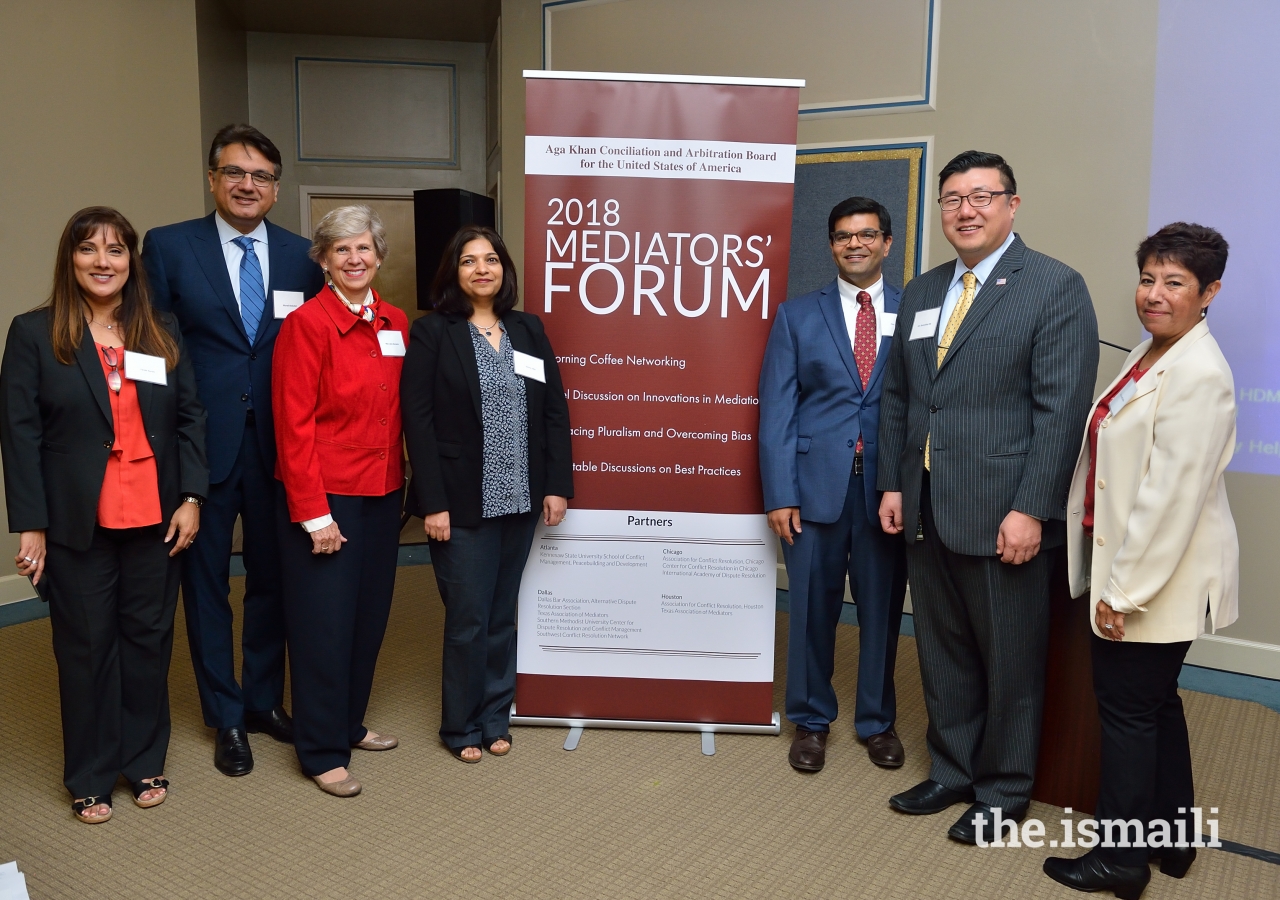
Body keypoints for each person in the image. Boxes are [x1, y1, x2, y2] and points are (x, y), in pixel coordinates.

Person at [876, 151, 1098, 843]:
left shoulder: (1054, 287)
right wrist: (891, 481)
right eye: (951, 199)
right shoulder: (920, 291)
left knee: (1010, 662)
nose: (965, 210)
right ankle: (952, 770)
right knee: (941, 651)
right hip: (926, 504)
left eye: (980, 196)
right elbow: (899, 398)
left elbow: (1059, 412)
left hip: (1005, 510)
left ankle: (1004, 790)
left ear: (1012, 204)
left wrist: (1031, 507)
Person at [1043, 224, 1238, 899]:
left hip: (1153, 579)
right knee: (1154, 705)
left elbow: (1170, 501)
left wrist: (1121, 593)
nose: (1155, 295)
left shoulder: (1200, 374)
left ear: (1209, 292)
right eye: (1149, 279)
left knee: (1127, 713)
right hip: (1132, 564)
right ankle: (1171, 837)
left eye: (1174, 283)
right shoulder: (1153, 351)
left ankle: (1119, 861)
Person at [0, 207, 208, 823]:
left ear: (131, 261)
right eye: (88, 250)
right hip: (76, 523)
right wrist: (31, 523)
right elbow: (20, 434)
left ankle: (144, 759)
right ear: (70, 260)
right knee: (87, 647)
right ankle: (90, 773)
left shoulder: (160, 329)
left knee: (148, 642)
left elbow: (192, 417)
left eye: (116, 251)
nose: (102, 262)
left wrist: (192, 496)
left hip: (156, 517)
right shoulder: (35, 334)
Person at [143, 124, 324, 776]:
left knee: (275, 582)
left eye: (262, 176)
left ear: (276, 190)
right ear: (213, 179)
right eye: (235, 172)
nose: (248, 185)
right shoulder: (168, 248)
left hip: (281, 449)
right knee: (208, 586)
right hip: (202, 448)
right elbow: (152, 353)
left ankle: (261, 702)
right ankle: (224, 717)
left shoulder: (305, 256)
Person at [402, 225, 573, 764]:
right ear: (453, 272)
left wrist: (557, 486)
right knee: (468, 618)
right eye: (469, 261)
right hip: (460, 502)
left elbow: (553, 411)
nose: (482, 268)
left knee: (501, 616)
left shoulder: (528, 329)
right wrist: (432, 502)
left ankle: (495, 717)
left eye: (491, 259)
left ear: (504, 269)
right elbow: (419, 422)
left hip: (521, 497)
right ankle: (460, 726)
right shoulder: (433, 332)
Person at [759, 196, 909, 773]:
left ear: (886, 243)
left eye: (867, 234)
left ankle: (876, 721)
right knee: (811, 613)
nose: (855, 244)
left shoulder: (916, 310)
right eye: (844, 235)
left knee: (881, 611)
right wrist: (780, 493)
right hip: (812, 488)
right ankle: (811, 720)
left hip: (885, 492)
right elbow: (776, 410)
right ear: (831, 244)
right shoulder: (797, 315)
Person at [271, 205, 406, 797]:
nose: (355, 259)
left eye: (364, 249)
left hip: (383, 493)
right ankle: (321, 749)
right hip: (328, 499)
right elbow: (292, 425)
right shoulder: (306, 325)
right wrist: (314, 512)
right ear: (323, 260)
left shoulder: (396, 320)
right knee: (323, 625)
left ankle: (348, 724)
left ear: (378, 256)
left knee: (368, 618)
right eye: (341, 250)